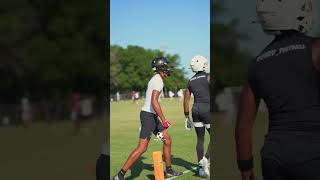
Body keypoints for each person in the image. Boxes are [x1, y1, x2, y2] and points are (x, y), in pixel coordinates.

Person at [235, 0, 320, 180]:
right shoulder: (315, 48)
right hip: (313, 152)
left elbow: (243, 125)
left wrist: (246, 170)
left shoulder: (257, 63)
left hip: (273, 156)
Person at [113, 57, 182, 180]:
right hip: (148, 117)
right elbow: (154, 101)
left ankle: (169, 170)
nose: (168, 68)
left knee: (167, 140)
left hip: (152, 116)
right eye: (166, 66)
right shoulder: (158, 81)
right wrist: (164, 119)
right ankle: (120, 175)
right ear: (162, 68)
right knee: (142, 148)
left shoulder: (157, 79)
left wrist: (159, 119)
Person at [184, 55, 211, 177]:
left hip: (195, 110)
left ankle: (201, 170)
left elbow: (186, 100)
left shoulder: (190, 81)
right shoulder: (208, 77)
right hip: (207, 109)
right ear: (204, 65)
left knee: (200, 139)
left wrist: (186, 117)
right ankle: (205, 159)